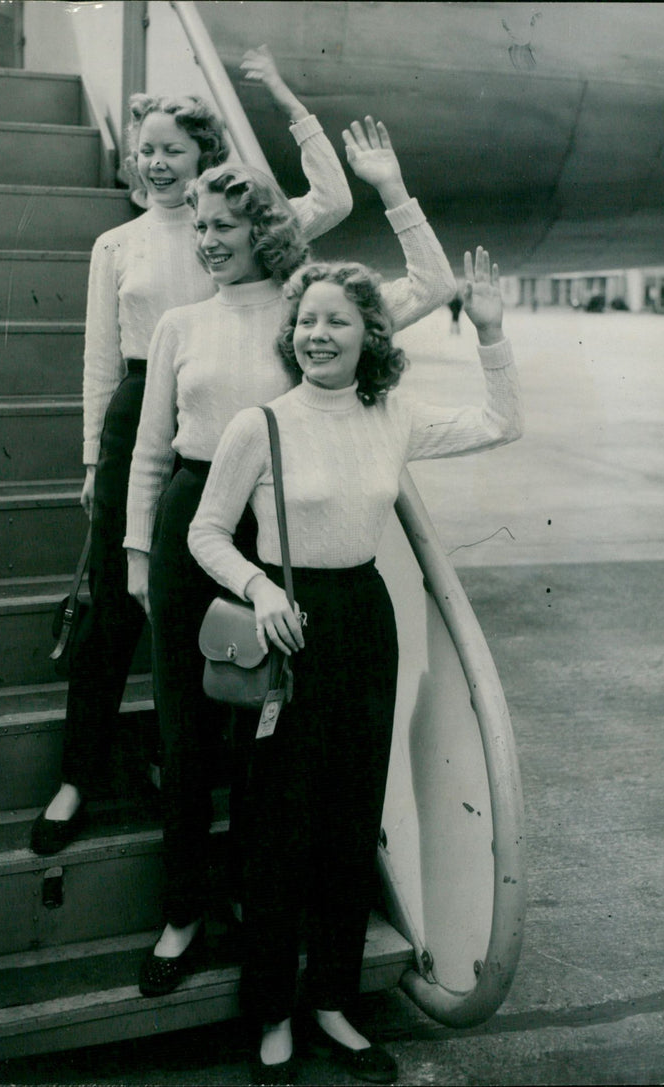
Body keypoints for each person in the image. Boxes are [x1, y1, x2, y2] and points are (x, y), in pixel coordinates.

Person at [124, 116, 457, 997]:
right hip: (196, 515)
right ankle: (183, 912)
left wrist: (391, 188)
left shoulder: (308, 310)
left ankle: (264, 913)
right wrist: (132, 555)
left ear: (262, 230)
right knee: (191, 734)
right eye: (197, 229)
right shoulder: (179, 324)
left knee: (272, 744)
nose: (207, 242)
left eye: (223, 228)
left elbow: (429, 282)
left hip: (277, 530)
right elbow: (152, 450)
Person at [187, 242, 522, 1082]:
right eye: (306, 320)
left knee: (347, 819)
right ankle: (271, 1009)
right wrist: (260, 589)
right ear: (290, 333)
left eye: (337, 319)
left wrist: (490, 333)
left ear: (370, 333)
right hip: (289, 631)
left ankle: (331, 1001)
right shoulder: (258, 424)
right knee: (276, 830)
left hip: (364, 623)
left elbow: (499, 422)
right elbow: (204, 533)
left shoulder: (392, 414)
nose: (317, 334)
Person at [30, 45, 352, 855]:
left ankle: (213, 790)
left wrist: (283, 92)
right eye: (145, 148)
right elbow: (100, 363)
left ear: (203, 153)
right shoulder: (118, 244)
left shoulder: (237, 219)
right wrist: (90, 468)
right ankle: (77, 774)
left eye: (172, 147)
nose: (156, 161)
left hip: (220, 419)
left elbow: (335, 196)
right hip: (140, 406)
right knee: (112, 606)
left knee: (223, 598)